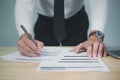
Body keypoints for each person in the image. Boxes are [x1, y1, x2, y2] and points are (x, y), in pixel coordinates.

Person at [15, 0, 108, 57]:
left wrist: (96, 36)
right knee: (38, 58)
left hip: (76, 19)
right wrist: (24, 35)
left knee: (78, 62)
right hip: (45, 21)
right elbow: (24, 3)